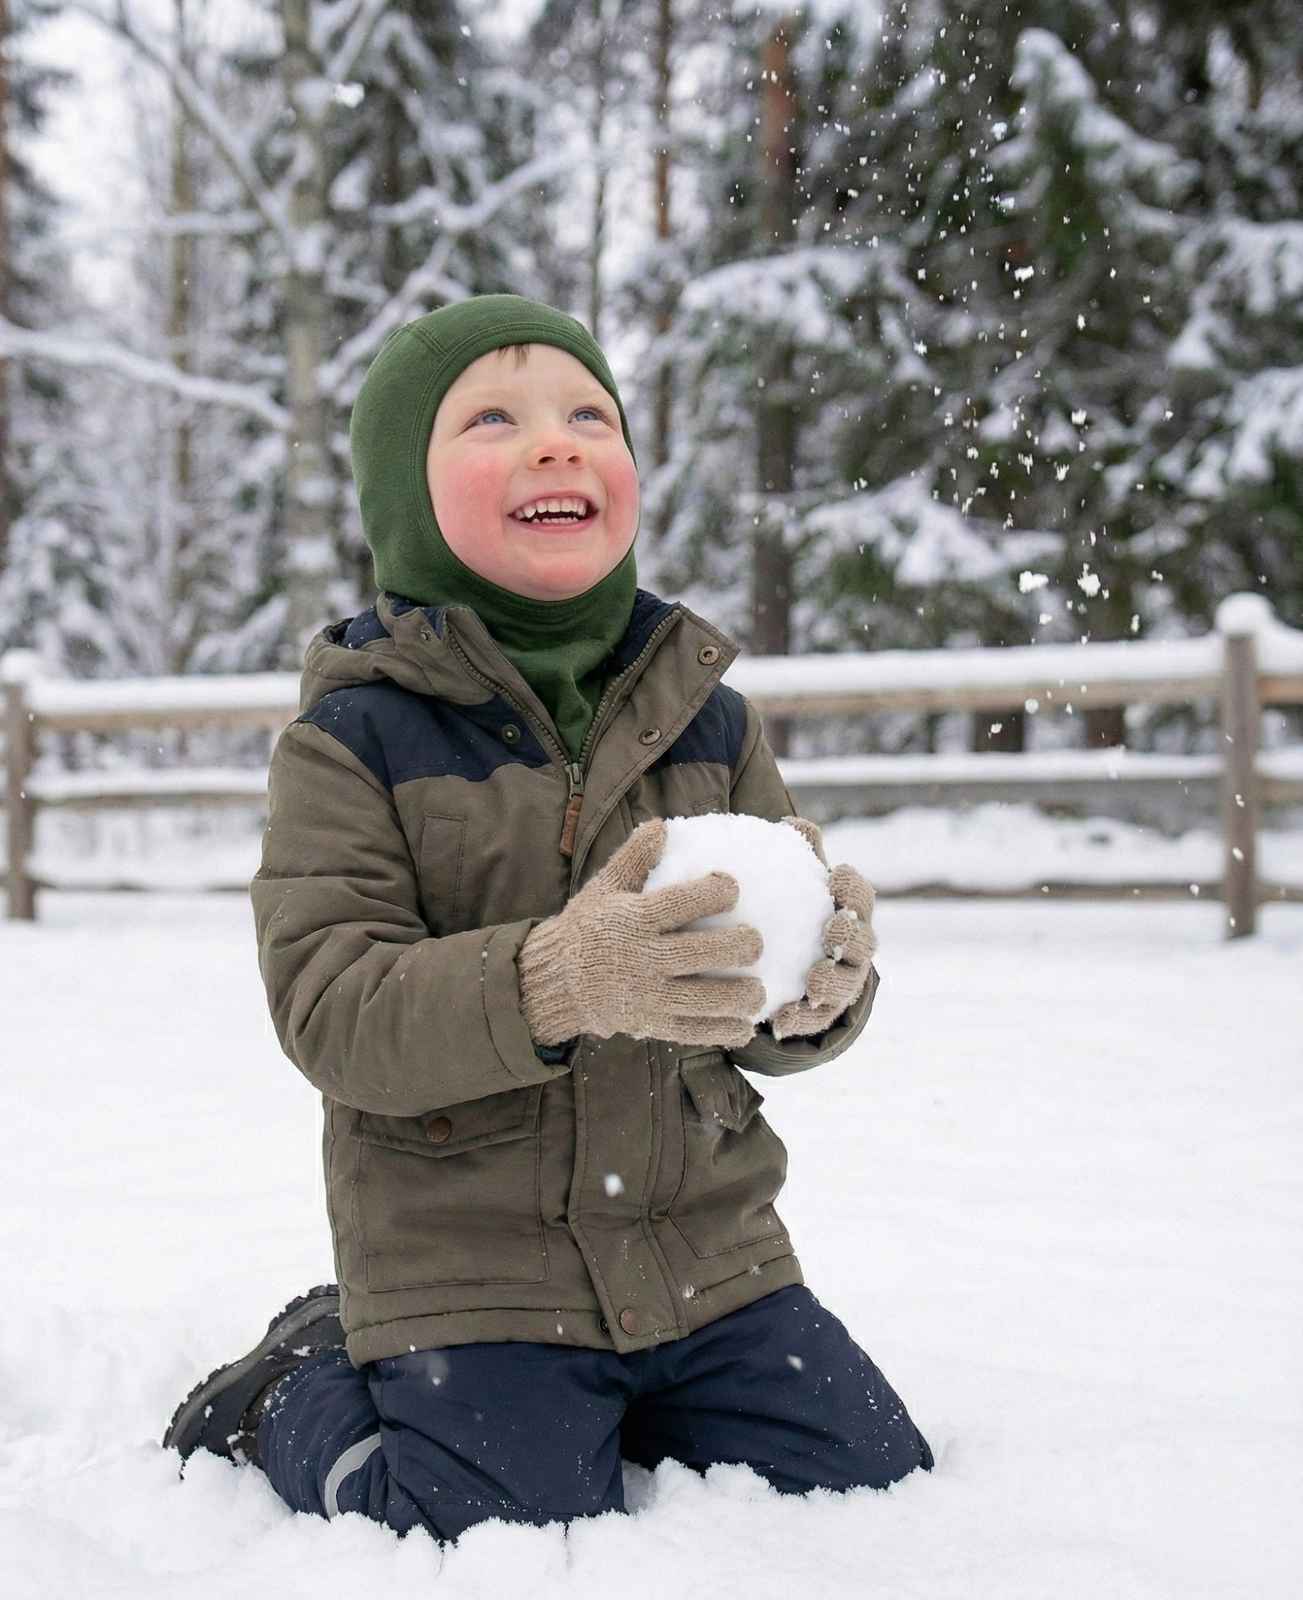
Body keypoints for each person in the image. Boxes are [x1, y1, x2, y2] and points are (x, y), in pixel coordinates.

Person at [163, 295, 931, 1539]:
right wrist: (555, 981)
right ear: (407, 498)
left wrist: (819, 992)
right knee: (486, 1531)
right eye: (492, 419)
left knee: (878, 1485)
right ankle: (301, 1385)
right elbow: (332, 1010)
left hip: (706, 1258)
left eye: (590, 414)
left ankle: (627, 1397)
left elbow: (766, 1009)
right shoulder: (353, 739)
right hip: (472, 1271)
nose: (557, 441)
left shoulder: (710, 718)